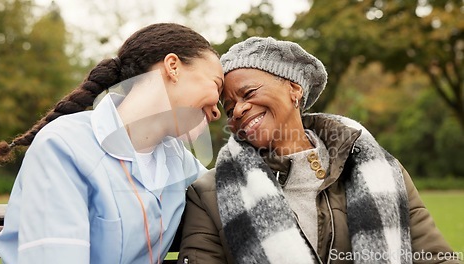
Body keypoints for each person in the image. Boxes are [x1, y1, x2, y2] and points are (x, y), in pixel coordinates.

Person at [178, 37, 461, 264]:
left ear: (294, 89)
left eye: (249, 94)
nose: (238, 110)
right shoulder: (208, 193)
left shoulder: (382, 170)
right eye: (229, 108)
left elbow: (435, 258)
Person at [0, 23, 224, 264]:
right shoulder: (63, 146)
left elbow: (227, 190)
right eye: (217, 86)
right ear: (173, 67)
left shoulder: (179, 160)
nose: (217, 112)